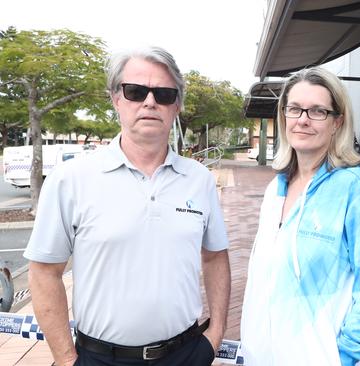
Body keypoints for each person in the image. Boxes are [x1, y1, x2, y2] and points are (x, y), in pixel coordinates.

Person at [24, 46, 231, 366]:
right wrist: (67, 360)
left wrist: (215, 334)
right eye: (135, 91)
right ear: (116, 99)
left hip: (186, 355)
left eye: (163, 94)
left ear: (176, 105)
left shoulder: (200, 180)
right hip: (100, 358)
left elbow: (216, 256)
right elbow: (43, 273)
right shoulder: (71, 180)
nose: (150, 102)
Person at [240, 67, 360, 366]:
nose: (303, 119)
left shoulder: (355, 189)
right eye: (295, 109)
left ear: (337, 122)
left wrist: (343, 357)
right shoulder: (276, 189)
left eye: (317, 111)